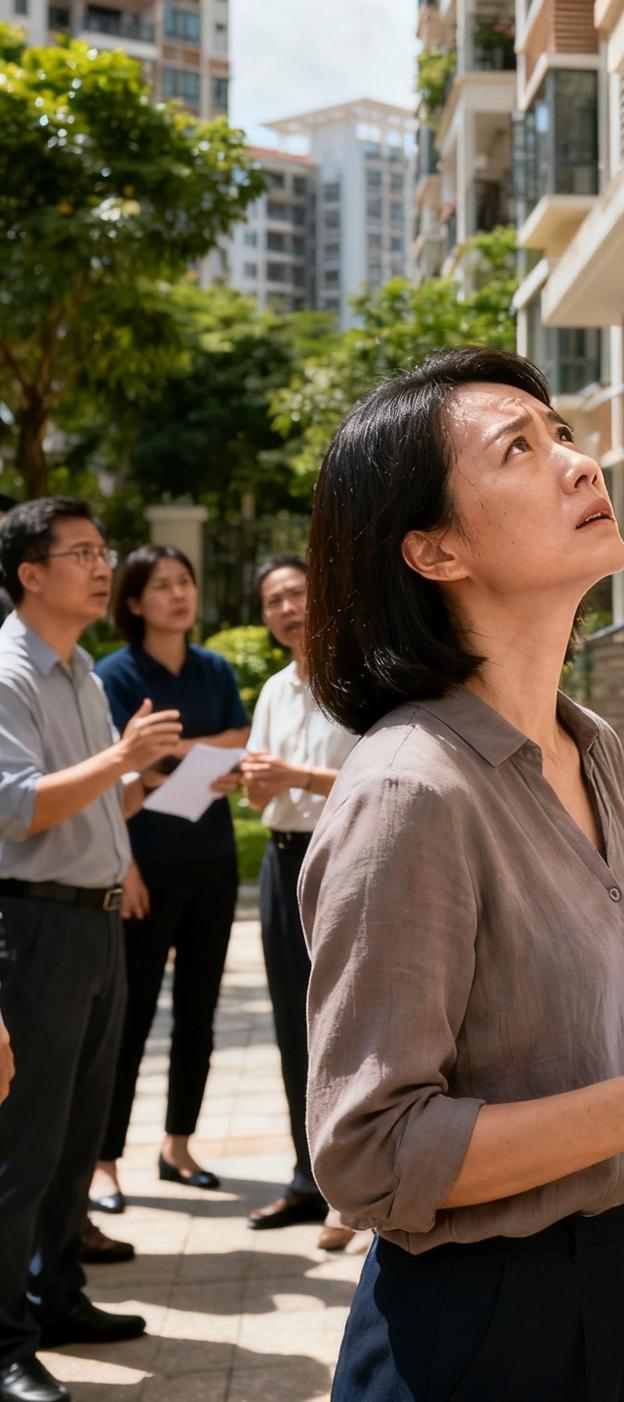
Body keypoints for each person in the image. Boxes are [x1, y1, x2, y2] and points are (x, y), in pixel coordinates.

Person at [298, 349, 624, 1402]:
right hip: (481, 1326)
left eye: (562, 432)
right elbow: (371, 1154)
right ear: (434, 549)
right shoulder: (411, 789)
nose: (578, 463)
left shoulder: (593, 746)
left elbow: (531, 1053)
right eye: (518, 448)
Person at [0, 499, 183, 1402]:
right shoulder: (8, 670)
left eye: (103, 550)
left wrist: (143, 777)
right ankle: (3, 1345)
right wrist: (121, 761)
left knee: (78, 1133)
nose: (102, 565)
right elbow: (21, 806)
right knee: (23, 1144)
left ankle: (58, 1295)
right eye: (82, 552)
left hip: (95, 919)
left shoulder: (78, 669)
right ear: (31, 573)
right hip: (32, 925)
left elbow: (99, 801)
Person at [89, 547, 249, 1216]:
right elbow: (112, 773)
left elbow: (240, 735)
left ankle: (178, 1147)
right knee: (127, 1020)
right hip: (143, 865)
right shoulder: (114, 674)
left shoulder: (213, 668)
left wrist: (172, 754)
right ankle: (104, 1162)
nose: (179, 595)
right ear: (134, 601)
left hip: (211, 858)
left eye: (185, 581)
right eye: (163, 586)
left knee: (199, 1014)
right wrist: (123, 866)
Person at [215, 556, 356, 1245]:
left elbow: (376, 774)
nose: (287, 608)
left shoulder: (358, 673)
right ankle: (308, 1177)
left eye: (297, 593)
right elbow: (261, 787)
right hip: (280, 862)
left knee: (345, 1020)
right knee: (288, 1017)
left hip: (341, 862)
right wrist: (255, 784)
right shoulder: (273, 687)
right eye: (273, 600)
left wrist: (294, 774)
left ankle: (352, 1188)